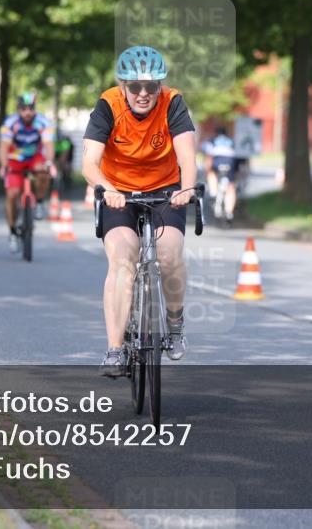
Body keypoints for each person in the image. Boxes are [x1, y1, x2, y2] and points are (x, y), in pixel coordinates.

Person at [81, 46, 197, 377]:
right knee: (122, 257)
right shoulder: (108, 105)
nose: (143, 93)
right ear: (122, 86)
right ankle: (115, 349)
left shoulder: (173, 102)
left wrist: (187, 188)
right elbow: (89, 163)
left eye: (151, 86)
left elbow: (187, 156)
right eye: (135, 87)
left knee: (170, 251)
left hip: (165, 191)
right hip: (118, 192)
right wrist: (107, 189)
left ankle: (174, 323)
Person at [0, 92, 56, 253]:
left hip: (34, 157)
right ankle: (12, 231)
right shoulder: (10, 123)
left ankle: (38, 202)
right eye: (24, 109)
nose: (27, 112)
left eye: (30, 108)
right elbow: (3, 147)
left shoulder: (43, 122)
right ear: (18, 110)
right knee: (12, 194)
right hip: (14, 158)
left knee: (44, 172)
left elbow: (48, 145)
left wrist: (49, 162)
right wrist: (4, 165)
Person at [207, 127, 238, 224]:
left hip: (217, 161)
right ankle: (229, 212)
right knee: (231, 187)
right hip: (230, 162)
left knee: (211, 173)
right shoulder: (232, 142)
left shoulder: (212, 141)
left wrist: (207, 170)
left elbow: (209, 157)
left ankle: (213, 192)